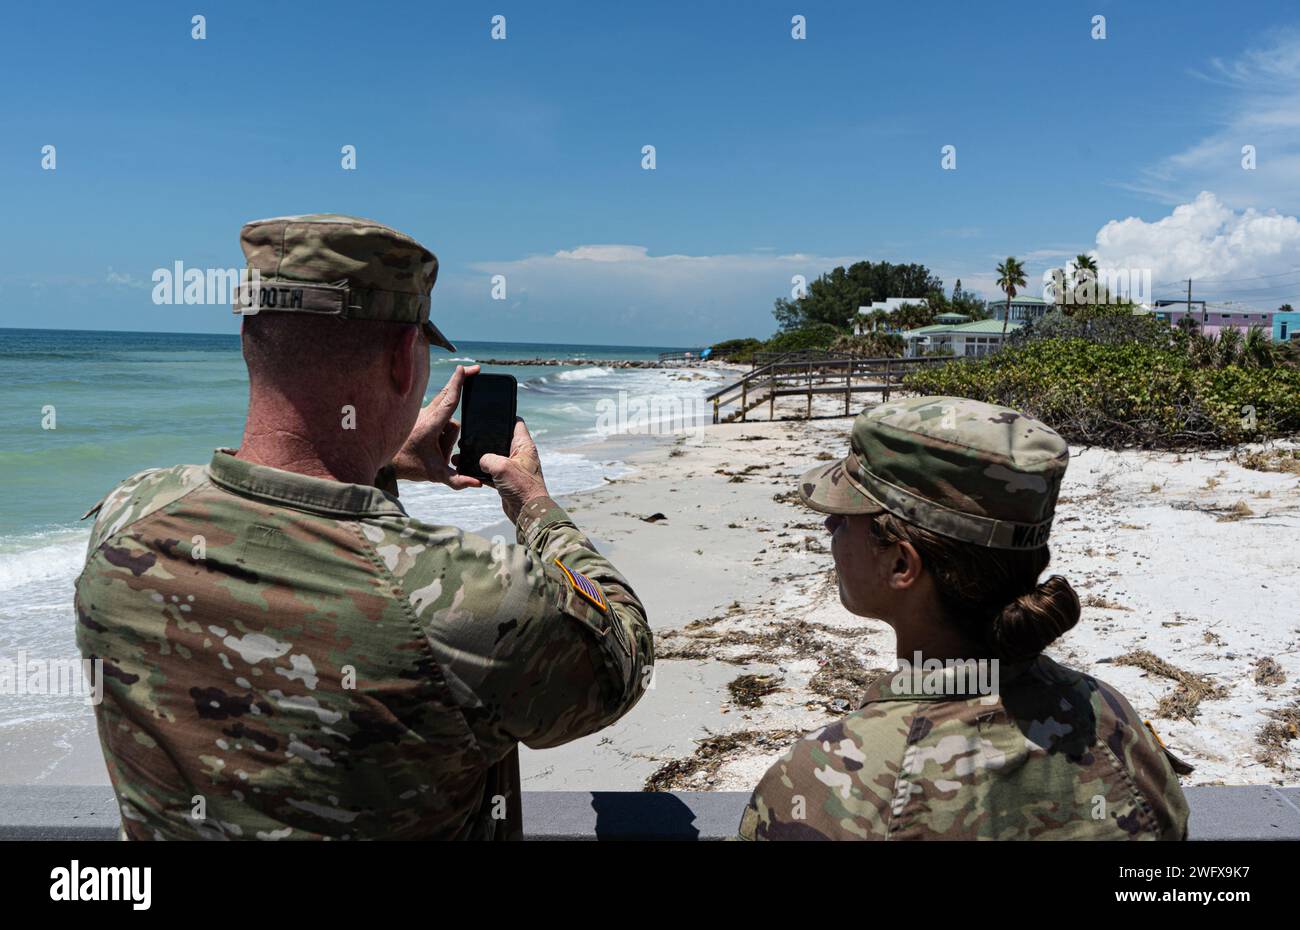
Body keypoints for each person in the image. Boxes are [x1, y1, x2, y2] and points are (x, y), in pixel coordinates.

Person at [74, 214, 653, 840]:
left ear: (249, 338)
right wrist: (536, 507)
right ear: (406, 360)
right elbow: (623, 658)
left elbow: (289, 523)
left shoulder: (127, 517)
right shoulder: (472, 595)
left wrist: (378, 463)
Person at [738, 396, 1191, 841]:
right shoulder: (1115, 724)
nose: (830, 527)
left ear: (901, 565)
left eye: (845, 516)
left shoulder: (828, 778)